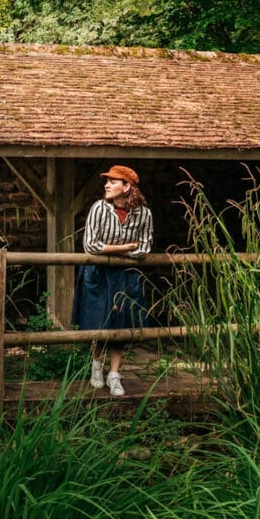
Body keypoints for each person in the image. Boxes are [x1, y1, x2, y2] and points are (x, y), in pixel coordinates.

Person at [72, 165, 153, 396]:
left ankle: (114, 374)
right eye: (106, 181)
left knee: (122, 323)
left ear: (127, 186)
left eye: (113, 181)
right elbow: (90, 245)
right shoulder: (99, 208)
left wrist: (113, 252)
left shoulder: (144, 214)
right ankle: (96, 365)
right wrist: (126, 248)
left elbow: (145, 247)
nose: (107, 185)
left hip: (125, 275)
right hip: (98, 274)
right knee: (99, 320)